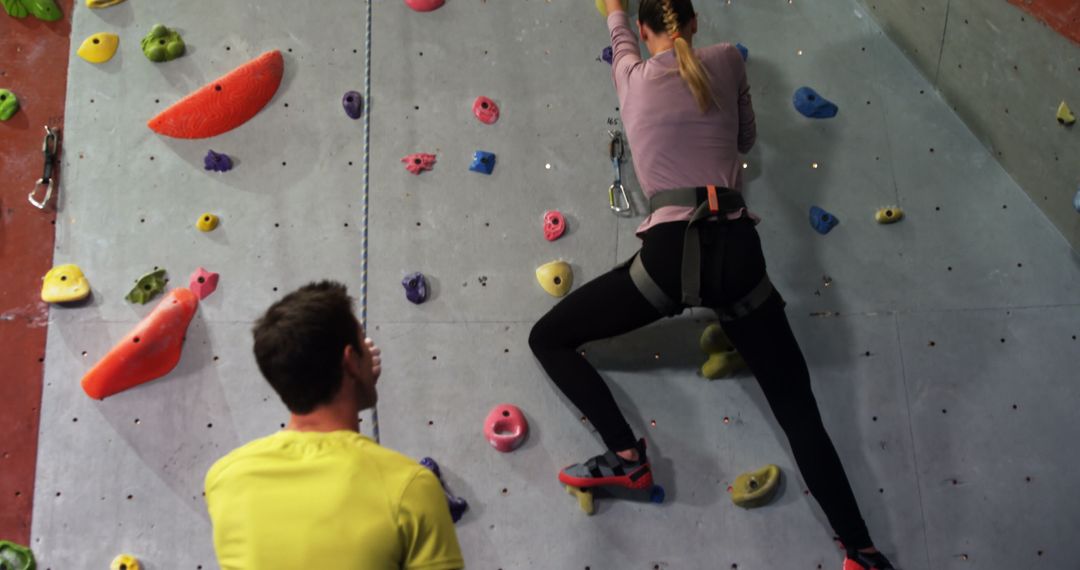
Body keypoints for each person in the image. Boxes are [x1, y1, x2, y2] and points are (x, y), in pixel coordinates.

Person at [527, 1, 895, 568]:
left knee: (548, 338)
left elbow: (619, 38)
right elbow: (745, 141)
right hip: (739, 254)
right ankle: (862, 550)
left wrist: (613, 12)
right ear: (694, 24)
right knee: (799, 413)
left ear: (645, 30)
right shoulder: (725, 61)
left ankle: (626, 456)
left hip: (668, 261)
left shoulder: (629, 73)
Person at [205, 281, 464, 570]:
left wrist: (356, 384)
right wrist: (357, 385)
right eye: (362, 343)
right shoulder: (409, 488)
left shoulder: (226, 480)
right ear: (351, 361)